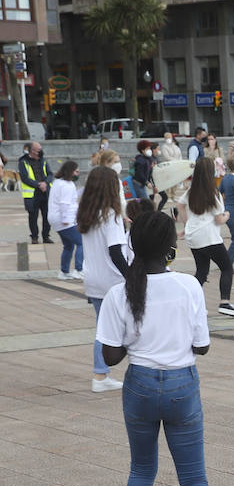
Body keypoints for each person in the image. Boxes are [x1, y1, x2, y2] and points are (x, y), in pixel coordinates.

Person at [93, 211, 234, 486]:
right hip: (182, 385)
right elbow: (203, 346)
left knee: (141, 470)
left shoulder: (119, 292)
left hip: (140, 384)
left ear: (133, 247)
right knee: (194, 477)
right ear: (171, 249)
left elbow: (110, 356)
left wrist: (136, 340)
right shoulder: (189, 286)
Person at [77, 166, 127, 393]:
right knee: (125, 326)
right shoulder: (111, 215)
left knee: (103, 327)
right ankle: (101, 375)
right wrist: (132, 276)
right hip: (112, 280)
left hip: (93, 279)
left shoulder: (87, 213)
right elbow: (116, 251)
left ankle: (101, 373)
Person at [182, 158, 234, 319]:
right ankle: (224, 302)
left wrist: (186, 222)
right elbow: (219, 219)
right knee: (226, 267)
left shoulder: (190, 191)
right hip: (209, 237)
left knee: (202, 271)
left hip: (193, 237)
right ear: (210, 172)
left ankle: (190, 303)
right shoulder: (213, 193)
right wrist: (227, 215)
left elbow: (180, 205)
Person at [49, 160, 83, 281]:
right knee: (81, 242)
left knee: (68, 245)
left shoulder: (59, 182)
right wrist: (66, 220)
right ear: (70, 171)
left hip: (56, 219)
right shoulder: (67, 185)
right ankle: (79, 270)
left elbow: (71, 197)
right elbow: (64, 204)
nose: (78, 174)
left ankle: (64, 271)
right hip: (64, 220)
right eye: (76, 171)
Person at [19, 141, 53, 244]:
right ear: (32, 151)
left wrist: (45, 183)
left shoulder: (43, 160)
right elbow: (25, 178)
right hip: (32, 194)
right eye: (38, 150)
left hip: (45, 193)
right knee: (33, 217)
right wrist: (38, 185)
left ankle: (46, 236)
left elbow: (50, 174)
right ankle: (34, 237)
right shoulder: (23, 162)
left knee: (47, 216)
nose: (41, 152)